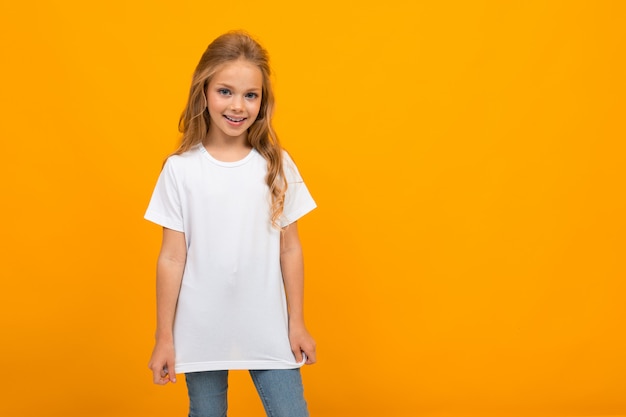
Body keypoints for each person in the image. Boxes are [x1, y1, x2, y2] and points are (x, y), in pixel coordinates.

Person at [144, 31, 317, 417]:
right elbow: (172, 258)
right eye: (225, 91)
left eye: (250, 95)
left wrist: (297, 322)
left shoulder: (276, 165)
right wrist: (164, 337)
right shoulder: (180, 170)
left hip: (267, 324)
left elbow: (290, 248)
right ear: (203, 91)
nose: (238, 106)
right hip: (200, 327)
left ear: (262, 100)